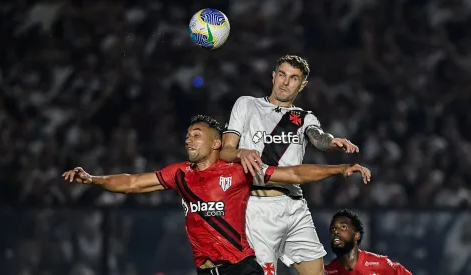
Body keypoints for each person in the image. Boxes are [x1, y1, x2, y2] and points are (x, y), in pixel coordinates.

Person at [62, 115, 371, 275]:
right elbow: (131, 184)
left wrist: (339, 168)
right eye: (187, 135)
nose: (188, 139)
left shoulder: (239, 171)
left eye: (197, 134)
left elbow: (292, 174)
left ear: (215, 144)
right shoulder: (180, 174)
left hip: (241, 268)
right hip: (207, 271)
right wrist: (93, 179)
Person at [220, 54, 360, 275]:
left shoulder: (304, 118)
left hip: (295, 206)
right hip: (256, 208)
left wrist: (332, 142)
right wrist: (240, 152)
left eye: (293, 78)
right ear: (273, 76)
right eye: (282, 75)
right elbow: (225, 152)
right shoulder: (247, 104)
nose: (285, 82)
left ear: (302, 85)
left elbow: (318, 137)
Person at [325, 209, 412, 274]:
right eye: (333, 229)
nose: (336, 232)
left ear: (356, 235)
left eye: (343, 227)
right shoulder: (327, 271)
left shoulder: (380, 263)